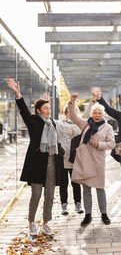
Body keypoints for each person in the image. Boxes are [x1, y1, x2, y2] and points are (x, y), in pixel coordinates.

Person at [7, 79, 64, 236]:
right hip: (37, 164)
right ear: (38, 110)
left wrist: (45, 99)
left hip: (52, 161)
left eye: (49, 108)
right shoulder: (33, 122)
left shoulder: (51, 123)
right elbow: (24, 110)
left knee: (50, 196)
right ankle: (32, 222)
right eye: (45, 108)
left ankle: (46, 223)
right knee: (36, 195)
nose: (48, 110)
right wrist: (17, 93)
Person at [68, 93, 115, 226]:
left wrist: (99, 145)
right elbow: (73, 116)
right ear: (92, 114)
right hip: (85, 161)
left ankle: (104, 213)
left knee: (100, 188)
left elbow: (112, 144)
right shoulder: (85, 124)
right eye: (95, 112)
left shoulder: (108, 128)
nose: (97, 115)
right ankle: (88, 215)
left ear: (103, 114)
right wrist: (72, 102)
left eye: (99, 113)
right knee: (86, 189)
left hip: (98, 161)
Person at [54, 99, 95, 215]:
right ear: (65, 112)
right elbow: (48, 120)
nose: (70, 113)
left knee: (76, 182)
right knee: (63, 183)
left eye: (72, 111)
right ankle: (64, 205)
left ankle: (78, 204)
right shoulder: (59, 123)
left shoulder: (80, 123)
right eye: (67, 111)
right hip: (62, 158)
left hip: (75, 158)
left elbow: (86, 114)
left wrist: (91, 101)